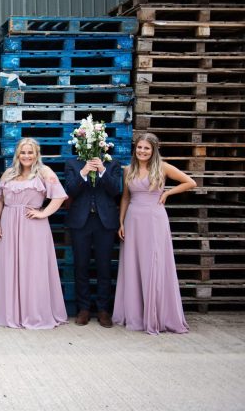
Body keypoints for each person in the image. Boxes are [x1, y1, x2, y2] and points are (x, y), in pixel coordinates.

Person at [113, 133, 196, 335]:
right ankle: (136, 313)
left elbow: (190, 182)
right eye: (139, 148)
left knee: (154, 263)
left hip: (154, 219)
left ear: (154, 150)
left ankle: (157, 314)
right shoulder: (128, 170)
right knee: (133, 264)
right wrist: (121, 222)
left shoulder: (163, 167)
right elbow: (125, 197)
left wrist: (167, 192)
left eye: (146, 148)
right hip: (133, 219)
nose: (142, 151)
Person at [0, 138, 68, 329]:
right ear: (17, 154)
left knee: (33, 268)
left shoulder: (44, 172)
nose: (26, 156)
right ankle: (11, 312)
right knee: (10, 266)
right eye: (23, 152)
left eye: (30, 152)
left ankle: (34, 313)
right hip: (8, 224)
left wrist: (43, 213)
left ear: (36, 154)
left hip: (33, 227)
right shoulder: (8, 174)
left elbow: (59, 196)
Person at [64, 154, 122, 327]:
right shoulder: (72, 164)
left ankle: (103, 310)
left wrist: (103, 171)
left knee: (104, 266)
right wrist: (83, 172)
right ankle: (84, 309)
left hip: (105, 221)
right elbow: (70, 190)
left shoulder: (112, 164)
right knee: (81, 265)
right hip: (81, 221)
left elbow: (116, 190)